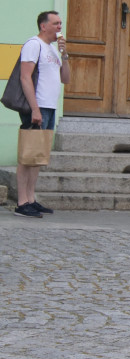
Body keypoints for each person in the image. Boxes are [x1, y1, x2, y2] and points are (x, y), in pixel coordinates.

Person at [13, 11, 71, 218]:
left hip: (50, 107)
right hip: (36, 106)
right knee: (28, 154)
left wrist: (64, 55)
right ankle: (21, 202)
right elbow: (25, 77)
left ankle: (31, 199)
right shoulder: (33, 44)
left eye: (60, 23)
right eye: (55, 23)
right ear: (43, 26)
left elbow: (66, 79)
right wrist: (35, 108)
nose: (59, 27)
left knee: (38, 155)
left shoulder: (53, 50)